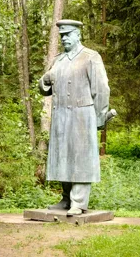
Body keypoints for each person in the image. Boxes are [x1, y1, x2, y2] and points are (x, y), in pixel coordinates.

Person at [39, 19, 110, 215]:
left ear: (78, 34)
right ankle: (66, 198)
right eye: (62, 35)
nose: (64, 39)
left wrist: (99, 116)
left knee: (80, 157)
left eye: (68, 34)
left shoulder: (90, 57)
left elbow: (101, 89)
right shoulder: (59, 60)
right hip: (61, 115)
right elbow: (45, 88)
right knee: (63, 156)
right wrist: (44, 80)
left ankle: (78, 202)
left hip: (82, 115)